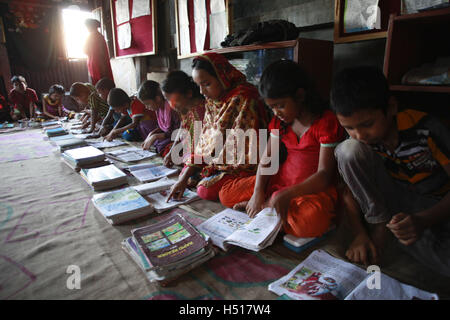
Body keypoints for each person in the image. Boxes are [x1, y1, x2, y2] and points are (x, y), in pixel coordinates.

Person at [330, 66, 450, 277]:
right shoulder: (362, 144)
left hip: (435, 205)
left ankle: (395, 233)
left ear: (391, 107)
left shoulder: (427, 130)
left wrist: (423, 220)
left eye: (367, 124)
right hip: (393, 203)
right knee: (348, 150)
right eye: (349, 128)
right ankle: (380, 227)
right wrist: (359, 234)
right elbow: (350, 191)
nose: (359, 135)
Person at [217, 60, 344, 238]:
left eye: (281, 105)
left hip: (309, 190)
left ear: (300, 95)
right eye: (272, 107)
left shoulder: (325, 122)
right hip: (280, 183)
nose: (276, 112)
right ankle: (270, 210)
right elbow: (267, 161)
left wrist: (284, 195)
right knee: (226, 194)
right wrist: (258, 192)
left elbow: (324, 176)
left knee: (309, 223)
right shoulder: (280, 122)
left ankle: (267, 211)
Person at [167, 52, 268, 203]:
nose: (202, 92)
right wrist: (184, 177)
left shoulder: (244, 98)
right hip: (219, 162)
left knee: (206, 190)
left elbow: (244, 153)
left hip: (245, 167)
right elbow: (205, 142)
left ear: (223, 76)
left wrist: (213, 164)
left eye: (206, 84)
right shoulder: (212, 101)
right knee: (186, 177)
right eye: (198, 86)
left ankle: (266, 186)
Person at [160, 70, 206, 188]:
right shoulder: (185, 108)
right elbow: (182, 128)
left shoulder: (201, 110)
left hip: (202, 155)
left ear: (189, 94)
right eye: (167, 100)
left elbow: (203, 147)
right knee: (167, 151)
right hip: (189, 150)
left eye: (172, 99)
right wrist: (171, 152)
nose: (171, 105)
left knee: (189, 180)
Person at [137, 80, 180, 156]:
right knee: (155, 142)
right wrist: (151, 134)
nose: (147, 107)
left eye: (148, 104)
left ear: (157, 99)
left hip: (178, 137)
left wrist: (155, 136)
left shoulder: (173, 109)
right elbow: (162, 127)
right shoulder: (159, 109)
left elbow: (177, 132)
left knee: (163, 147)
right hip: (169, 136)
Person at [83, 19, 114, 86]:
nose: (87, 28)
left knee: (100, 84)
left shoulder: (93, 36)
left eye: (87, 26)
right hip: (98, 64)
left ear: (91, 26)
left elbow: (85, 50)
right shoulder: (98, 36)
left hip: (97, 65)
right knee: (101, 84)